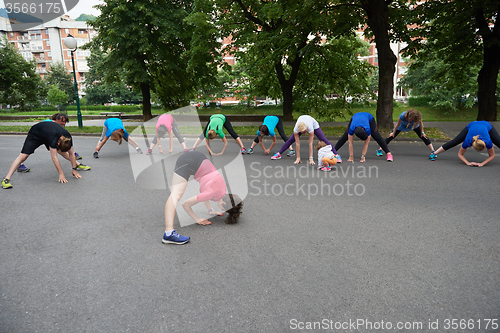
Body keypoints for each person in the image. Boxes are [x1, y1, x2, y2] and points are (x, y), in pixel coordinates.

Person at [162, 150, 243, 244]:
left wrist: (210, 210)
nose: (222, 210)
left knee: (176, 192)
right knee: (176, 194)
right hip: (188, 162)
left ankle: (169, 232)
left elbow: (207, 194)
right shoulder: (213, 193)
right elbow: (186, 205)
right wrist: (197, 219)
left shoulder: (222, 189)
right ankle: (168, 233)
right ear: (224, 203)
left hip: (197, 158)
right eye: (224, 210)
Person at [2, 121, 87, 189]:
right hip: (36, 134)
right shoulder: (54, 138)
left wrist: (74, 169)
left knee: (63, 152)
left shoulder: (68, 137)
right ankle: (6, 179)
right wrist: (61, 174)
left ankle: (77, 165)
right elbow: (54, 158)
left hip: (47, 133)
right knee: (24, 156)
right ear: (58, 143)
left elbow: (71, 153)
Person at [17, 113, 84, 173]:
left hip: (49, 137)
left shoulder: (57, 127)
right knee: (25, 154)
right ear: (57, 120)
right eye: (62, 122)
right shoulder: (49, 123)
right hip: (40, 136)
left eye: (65, 122)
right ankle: (20, 164)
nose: (63, 124)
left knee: (61, 151)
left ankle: (76, 164)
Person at [271, 115, 341, 165]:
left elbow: (310, 144)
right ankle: (279, 154)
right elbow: (297, 144)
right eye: (303, 132)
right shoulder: (296, 130)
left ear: (306, 129)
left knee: (323, 139)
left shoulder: (310, 127)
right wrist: (298, 158)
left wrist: (311, 158)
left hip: (313, 123)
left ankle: (336, 155)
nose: (305, 133)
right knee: (290, 140)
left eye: (305, 131)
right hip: (301, 121)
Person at [429, 121, 500, 166]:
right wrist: (468, 163)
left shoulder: (487, 141)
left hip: (487, 125)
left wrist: (482, 164)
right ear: (472, 145)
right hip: (472, 125)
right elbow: (460, 154)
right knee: (455, 141)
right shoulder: (468, 141)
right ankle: (434, 153)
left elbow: (492, 155)